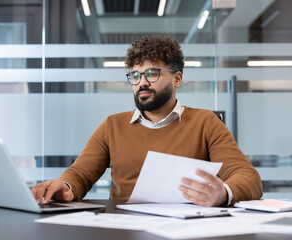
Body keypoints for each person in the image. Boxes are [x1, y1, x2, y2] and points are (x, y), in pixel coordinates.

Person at [31, 35, 263, 207]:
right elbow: (80, 174)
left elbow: (248, 177)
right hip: (124, 226)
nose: (142, 82)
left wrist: (223, 192)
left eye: (152, 73)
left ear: (177, 78)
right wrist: (66, 186)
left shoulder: (206, 122)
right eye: (135, 75)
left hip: (186, 228)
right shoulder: (112, 125)